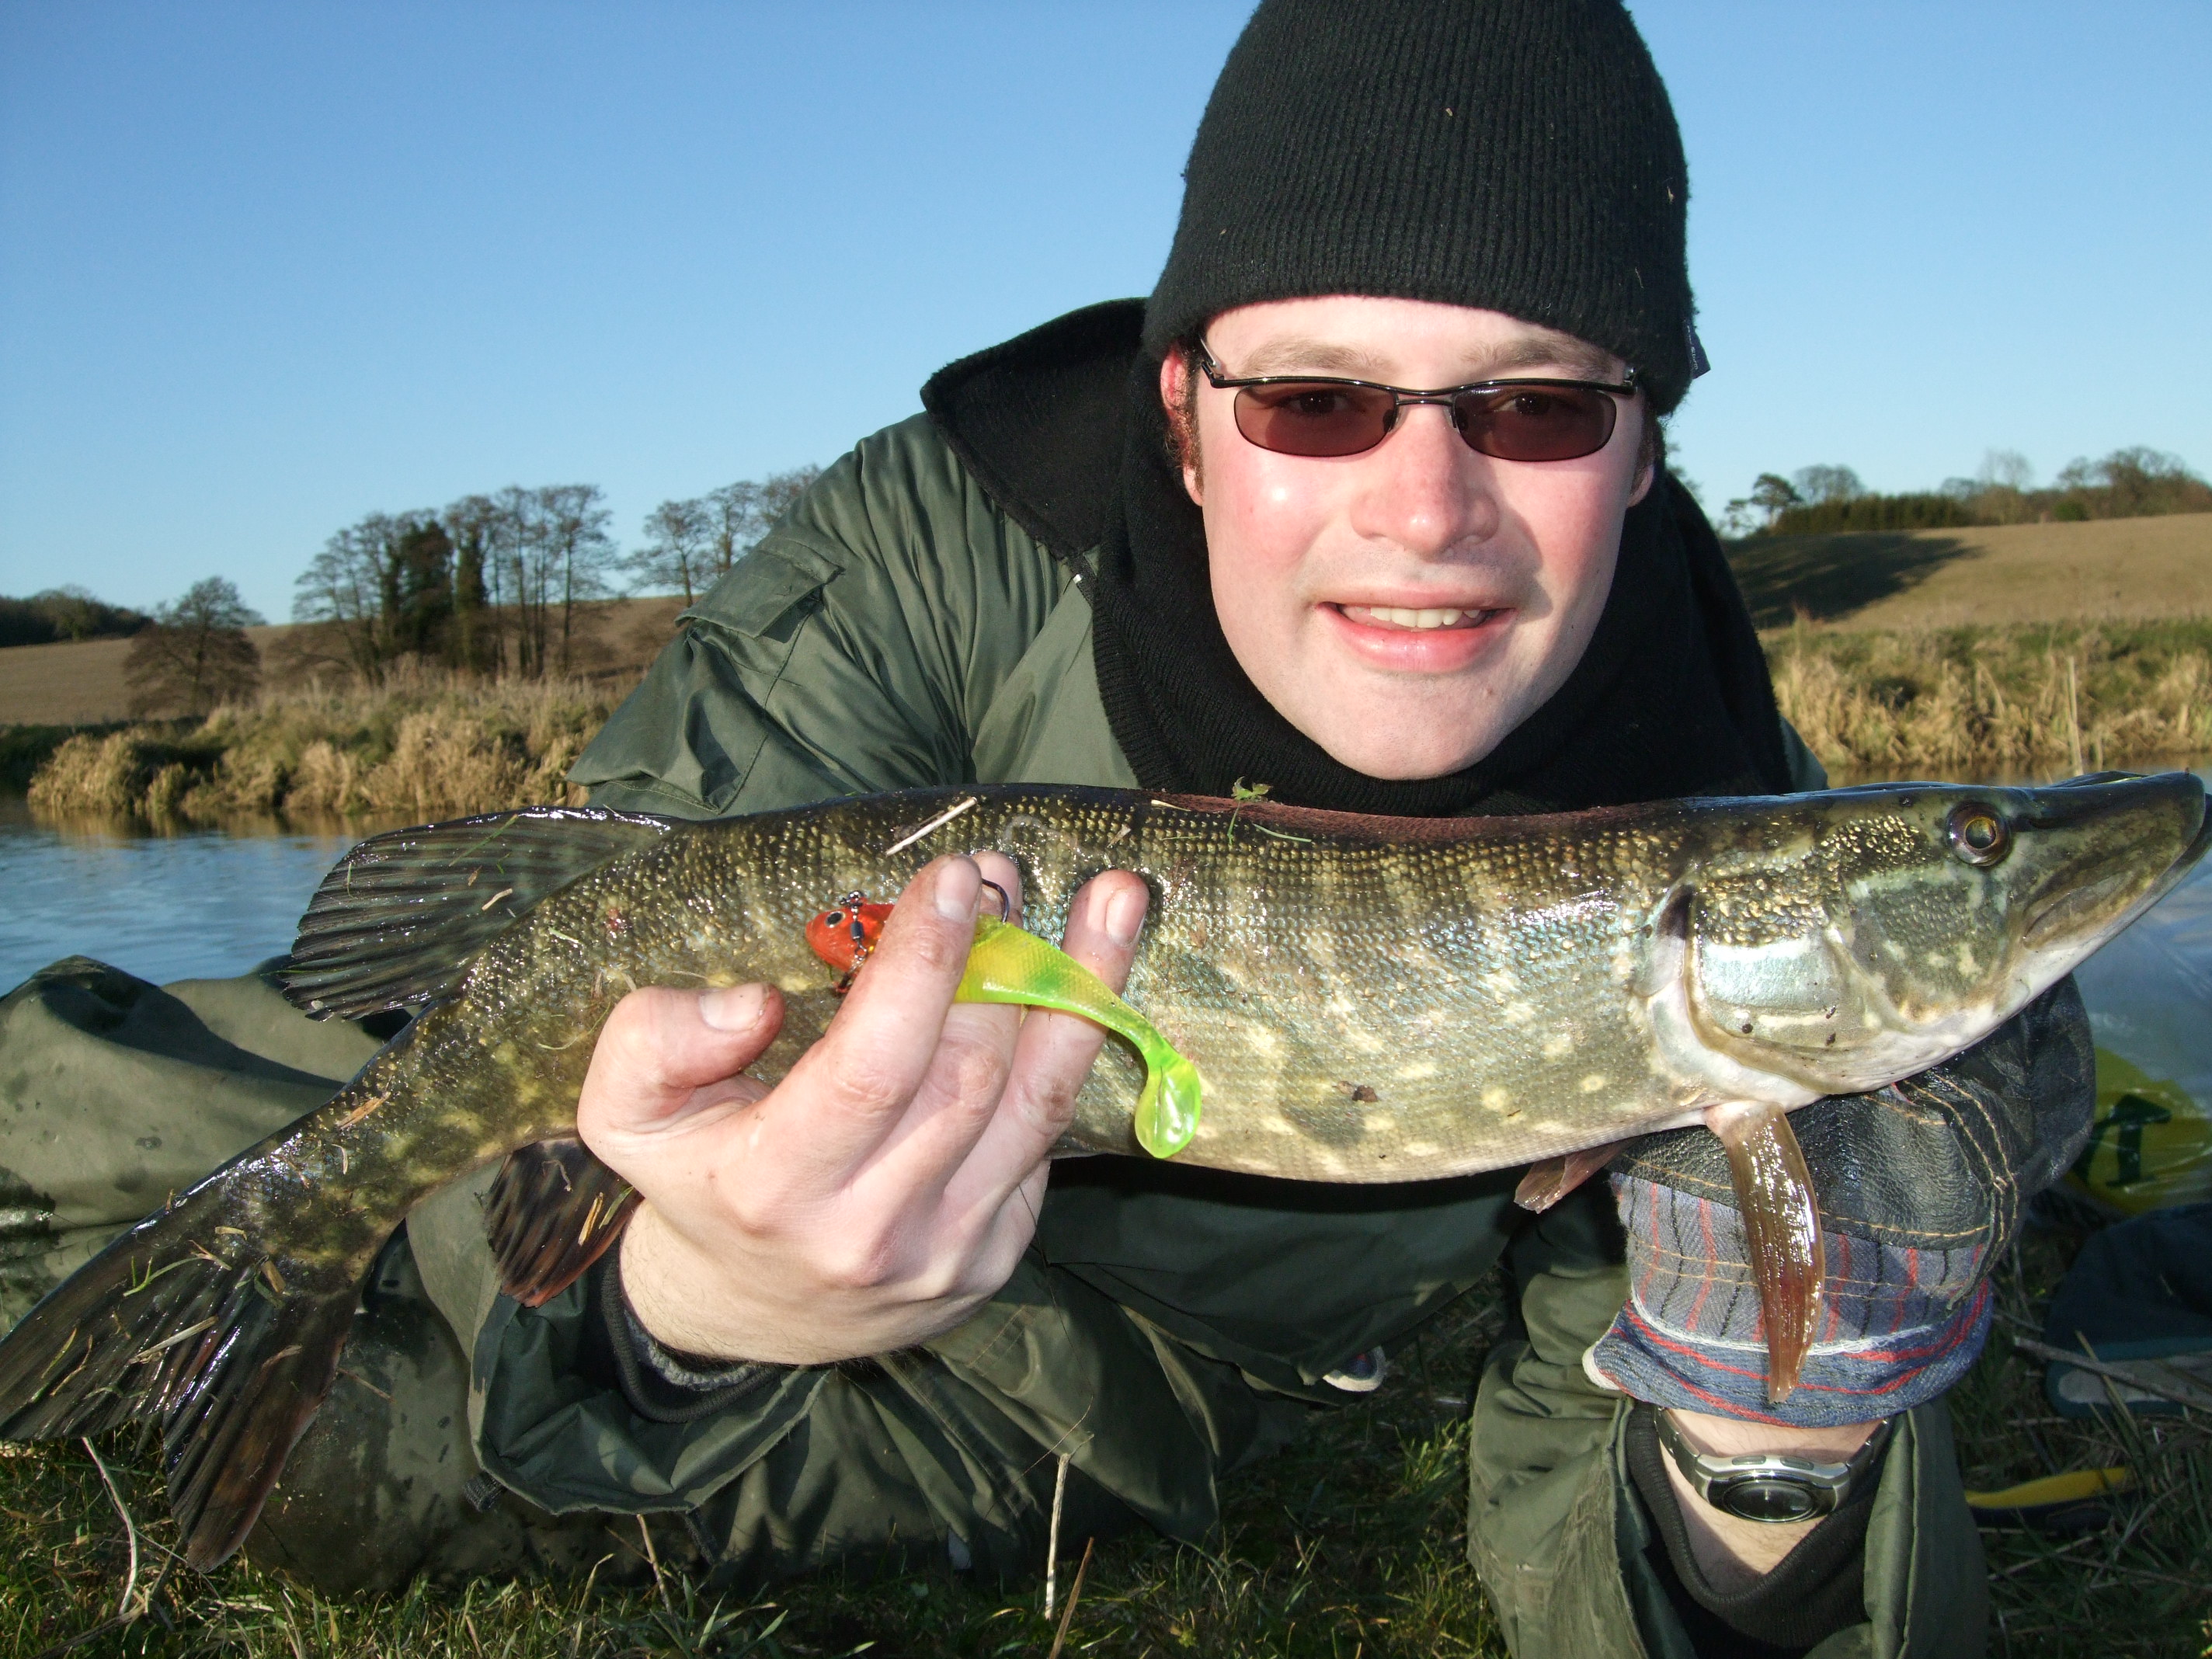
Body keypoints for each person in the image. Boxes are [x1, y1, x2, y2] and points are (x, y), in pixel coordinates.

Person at [0, 2, 2090, 1653]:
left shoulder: (1710, 780)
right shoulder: (946, 552)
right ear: (1182, 412)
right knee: (64, 1124)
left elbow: (1602, 1476)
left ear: (1641, 448)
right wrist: (681, 1297)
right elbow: (532, 958)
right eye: (1319, 400)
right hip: (648, 1142)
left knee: (368, 1473)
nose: (1429, 506)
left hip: (1089, 1346)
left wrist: (1771, 1447)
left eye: (1536, 405)